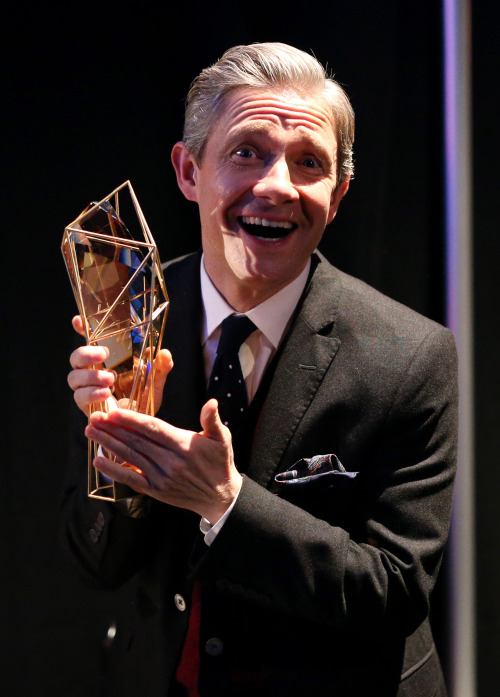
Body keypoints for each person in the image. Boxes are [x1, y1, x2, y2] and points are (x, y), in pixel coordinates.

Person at [61, 42, 458, 697]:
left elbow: (393, 592)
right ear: (189, 171)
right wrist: (117, 454)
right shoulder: (123, 318)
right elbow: (95, 563)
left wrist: (226, 502)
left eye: (309, 163)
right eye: (247, 151)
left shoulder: (412, 355)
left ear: (339, 195)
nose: (277, 185)